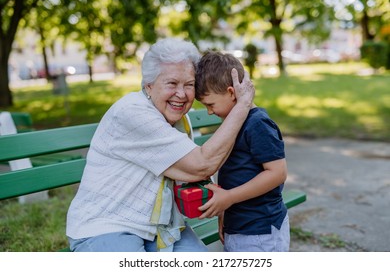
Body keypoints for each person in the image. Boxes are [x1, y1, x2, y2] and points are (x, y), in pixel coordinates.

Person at [66, 38, 254, 252]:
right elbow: (202, 164)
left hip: (162, 228)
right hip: (108, 226)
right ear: (149, 85)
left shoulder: (179, 120)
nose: (181, 94)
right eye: (172, 84)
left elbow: (196, 174)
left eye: (189, 85)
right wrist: (243, 104)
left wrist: (222, 209)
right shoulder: (133, 113)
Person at [195, 51, 289, 252]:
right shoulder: (234, 124)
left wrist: (229, 198)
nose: (209, 112)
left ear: (231, 92)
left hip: (260, 231)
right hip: (239, 226)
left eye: (210, 104)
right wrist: (224, 213)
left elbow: (277, 173)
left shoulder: (258, 124)